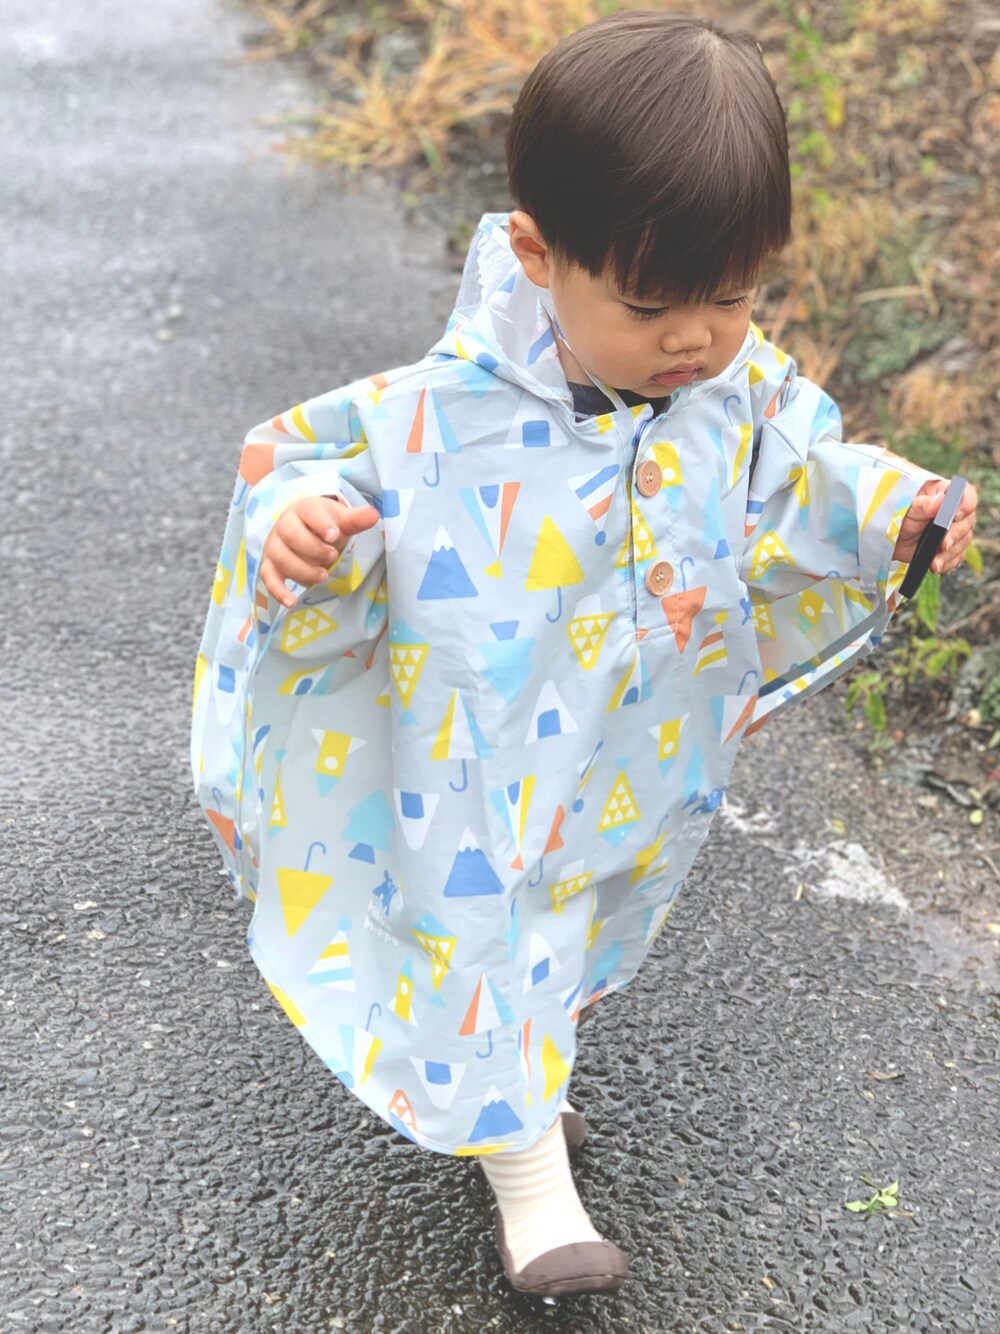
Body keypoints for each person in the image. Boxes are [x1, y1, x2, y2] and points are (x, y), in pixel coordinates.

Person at [191, 11, 978, 1300]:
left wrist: (893, 503)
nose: (696, 339)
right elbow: (307, 466)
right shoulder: (439, 414)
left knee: (580, 922)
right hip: (471, 762)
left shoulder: (732, 390)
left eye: (734, 296)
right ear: (537, 256)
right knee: (481, 925)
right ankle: (529, 1182)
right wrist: (305, 522)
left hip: (630, 750)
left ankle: (526, 1073)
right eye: (652, 305)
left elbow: (800, 476)